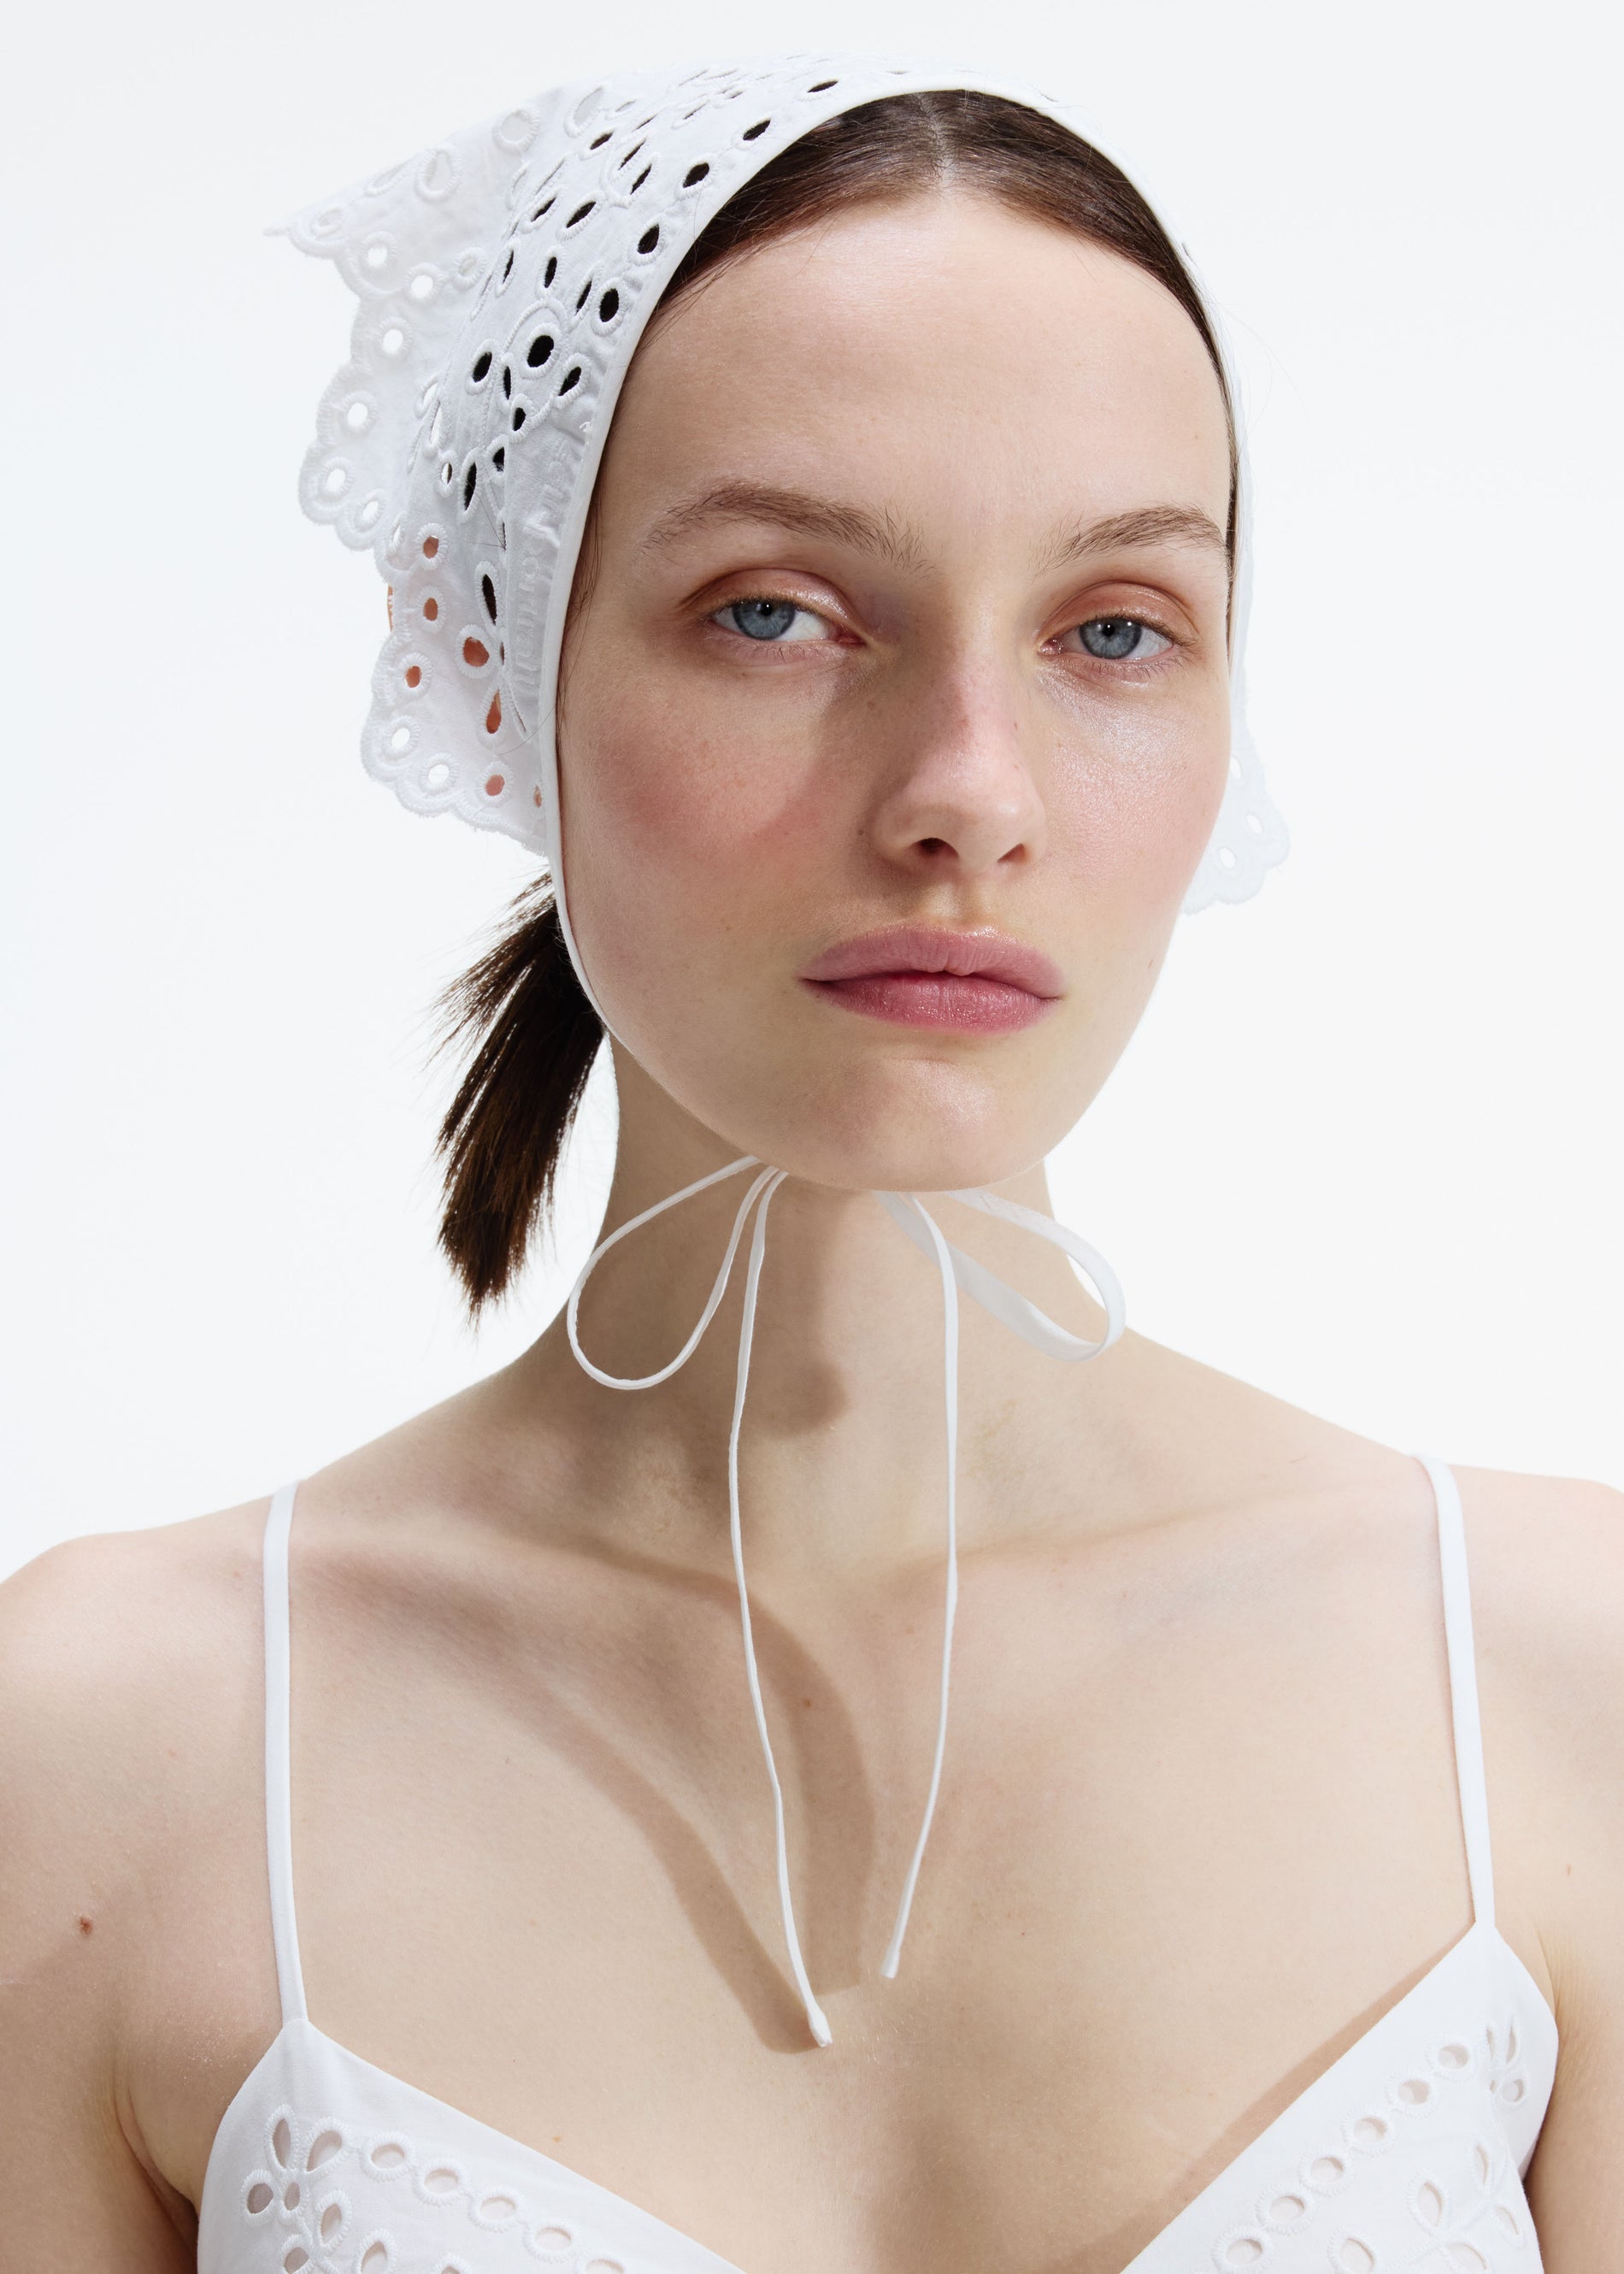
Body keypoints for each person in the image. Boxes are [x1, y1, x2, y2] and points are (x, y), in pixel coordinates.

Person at [0, 52, 1617, 2273]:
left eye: (1111, 629)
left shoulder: (1559, 1679)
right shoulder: (104, 1747)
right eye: (776, 610)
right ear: (504, 663)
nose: (968, 790)